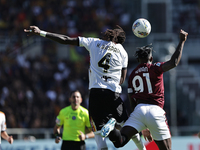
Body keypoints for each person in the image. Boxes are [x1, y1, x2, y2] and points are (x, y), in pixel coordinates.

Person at [24, 25, 147, 150]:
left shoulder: (93, 42)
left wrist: (41, 32)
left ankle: (110, 128)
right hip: (113, 94)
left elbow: (65, 39)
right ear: (119, 40)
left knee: (99, 135)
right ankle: (142, 148)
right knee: (128, 127)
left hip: (95, 93)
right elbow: (122, 79)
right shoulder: (123, 52)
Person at [101, 29, 188, 150]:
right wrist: (181, 41)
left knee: (120, 140)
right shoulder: (155, 67)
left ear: (138, 60)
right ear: (151, 59)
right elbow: (173, 62)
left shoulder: (132, 74)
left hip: (138, 110)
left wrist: (142, 123)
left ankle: (112, 129)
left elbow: (132, 101)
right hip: (155, 110)